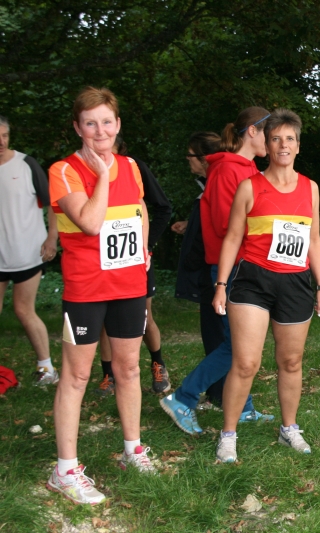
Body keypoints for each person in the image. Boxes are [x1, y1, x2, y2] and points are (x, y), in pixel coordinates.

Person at [47, 87, 155, 506]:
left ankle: (133, 450)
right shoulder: (64, 170)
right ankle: (65, 470)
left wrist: (143, 248)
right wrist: (103, 176)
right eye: (90, 123)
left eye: (106, 121)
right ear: (78, 128)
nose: (100, 131)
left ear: (118, 124)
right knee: (76, 376)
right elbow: (91, 222)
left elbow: (140, 208)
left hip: (129, 286)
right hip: (86, 290)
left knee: (128, 369)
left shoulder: (131, 166)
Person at [212, 108, 320, 463]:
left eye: (289, 139)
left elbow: (313, 239)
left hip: (295, 283)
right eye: (275, 138)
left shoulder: (310, 188)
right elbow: (232, 238)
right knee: (246, 362)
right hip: (254, 281)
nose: (283, 145)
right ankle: (228, 435)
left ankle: (288, 428)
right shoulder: (249, 187)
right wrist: (221, 284)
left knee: (291, 361)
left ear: (298, 145)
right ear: (267, 143)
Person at [161, 108, 272, 435]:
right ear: (252, 131)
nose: (274, 142)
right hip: (232, 268)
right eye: (269, 134)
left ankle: (243, 408)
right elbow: (227, 226)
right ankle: (183, 398)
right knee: (238, 346)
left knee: (240, 344)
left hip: (247, 265)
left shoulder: (248, 168)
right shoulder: (225, 170)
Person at [96, 136, 173, 396]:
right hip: (102, 258)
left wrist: (145, 244)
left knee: (144, 316)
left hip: (136, 256)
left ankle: (158, 364)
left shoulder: (133, 167)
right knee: (105, 318)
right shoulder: (85, 169)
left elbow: (162, 207)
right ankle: (108, 375)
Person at [0, 115, 59, 385]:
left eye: (4, 136)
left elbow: (52, 203)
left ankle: (46, 369)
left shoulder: (26, 164)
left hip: (27, 254)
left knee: (24, 310)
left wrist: (51, 238)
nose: (1, 142)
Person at [172, 131, 226, 408]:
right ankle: (220, 395)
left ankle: (200, 395)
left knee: (226, 340)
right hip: (210, 274)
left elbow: (220, 228)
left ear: (205, 158)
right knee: (220, 338)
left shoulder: (217, 184)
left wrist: (194, 261)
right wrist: (189, 225)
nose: (187, 160)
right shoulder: (208, 185)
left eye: (190, 155)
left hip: (214, 273)